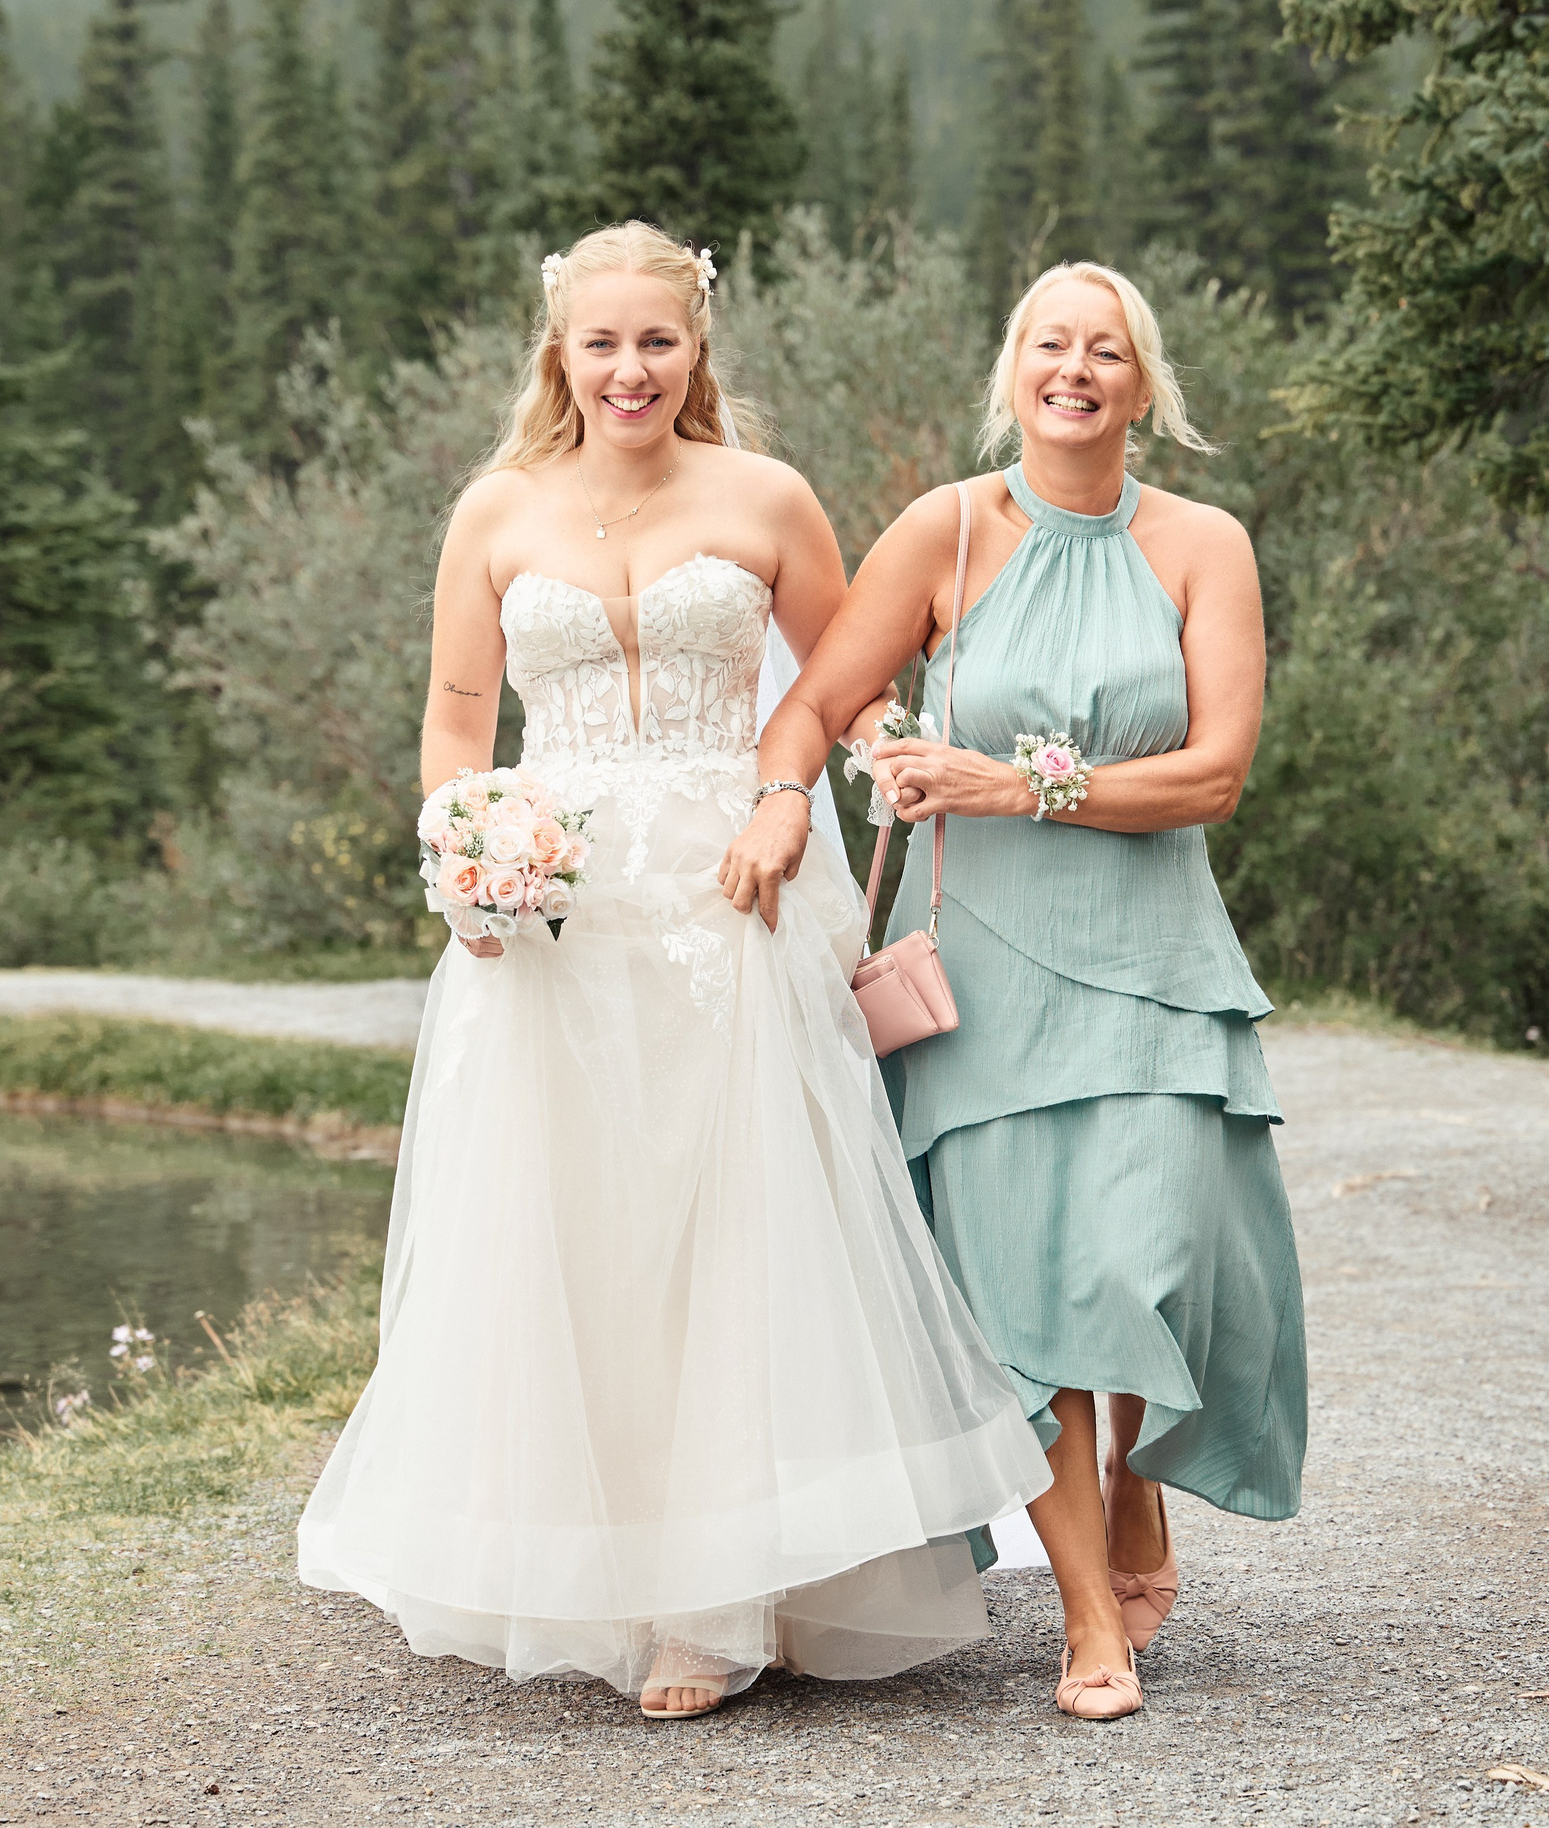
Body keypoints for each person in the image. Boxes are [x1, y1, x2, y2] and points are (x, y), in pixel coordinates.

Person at [296, 222, 1049, 1722]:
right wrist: (471, 859)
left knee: (733, 1233)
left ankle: (727, 1596)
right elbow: (456, 729)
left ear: (697, 347)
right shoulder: (496, 512)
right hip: (555, 924)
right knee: (581, 1235)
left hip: (732, 906)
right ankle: (608, 1575)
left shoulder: (765, 497)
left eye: (657, 341)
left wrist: (875, 765)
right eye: (602, 343)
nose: (629, 369)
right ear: (560, 356)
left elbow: (842, 685)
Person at [720, 261, 1308, 1722]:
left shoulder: (1203, 544)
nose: (1076, 371)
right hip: (979, 983)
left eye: (1106, 351)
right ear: (1014, 371)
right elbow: (818, 698)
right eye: (1052, 345)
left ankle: (1135, 1472)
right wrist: (822, 782)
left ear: (1143, 385)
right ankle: (1088, 1619)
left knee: (1142, 1258)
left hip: (1156, 967)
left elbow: (1215, 774)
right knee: (1025, 1300)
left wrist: (1016, 783)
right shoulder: (949, 530)